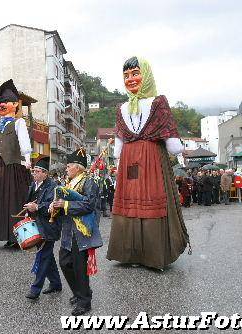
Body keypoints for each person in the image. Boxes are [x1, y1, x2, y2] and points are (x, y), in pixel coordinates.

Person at [106, 57, 190, 270]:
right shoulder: (158, 102)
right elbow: (174, 147)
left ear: (145, 76)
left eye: (135, 73)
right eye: (126, 75)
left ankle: (129, 253)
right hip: (151, 158)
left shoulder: (121, 108)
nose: (130, 79)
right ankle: (153, 255)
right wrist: (181, 145)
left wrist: (122, 150)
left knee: (129, 202)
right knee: (152, 199)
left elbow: (117, 149)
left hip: (128, 158)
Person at [49, 148, 103, 316]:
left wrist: (65, 205)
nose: (66, 168)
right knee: (65, 263)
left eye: (69, 165)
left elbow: (89, 205)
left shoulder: (89, 183)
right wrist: (54, 206)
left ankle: (84, 301)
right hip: (67, 231)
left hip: (81, 232)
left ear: (78, 167)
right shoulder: (69, 184)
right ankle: (81, 292)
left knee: (80, 268)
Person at [0, 79, 33, 247]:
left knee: (15, 202)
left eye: (6, 102)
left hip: (14, 166)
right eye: (1, 102)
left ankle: (19, 236)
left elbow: (24, 142)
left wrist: (27, 160)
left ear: (15, 105)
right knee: (1, 203)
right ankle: (6, 236)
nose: (2, 105)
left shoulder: (19, 122)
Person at [23, 157, 62, 300]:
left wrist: (37, 207)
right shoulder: (33, 185)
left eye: (38, 172)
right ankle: (56, 283)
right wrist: (28, 211)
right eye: (34, 171)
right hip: (36, 225)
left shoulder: (53, 187)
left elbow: (53, 207)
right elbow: (30, 201)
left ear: (45, 174)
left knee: (43, 256)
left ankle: (35, 289)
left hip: (49, 226)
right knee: (48, 256)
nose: (35, 174)